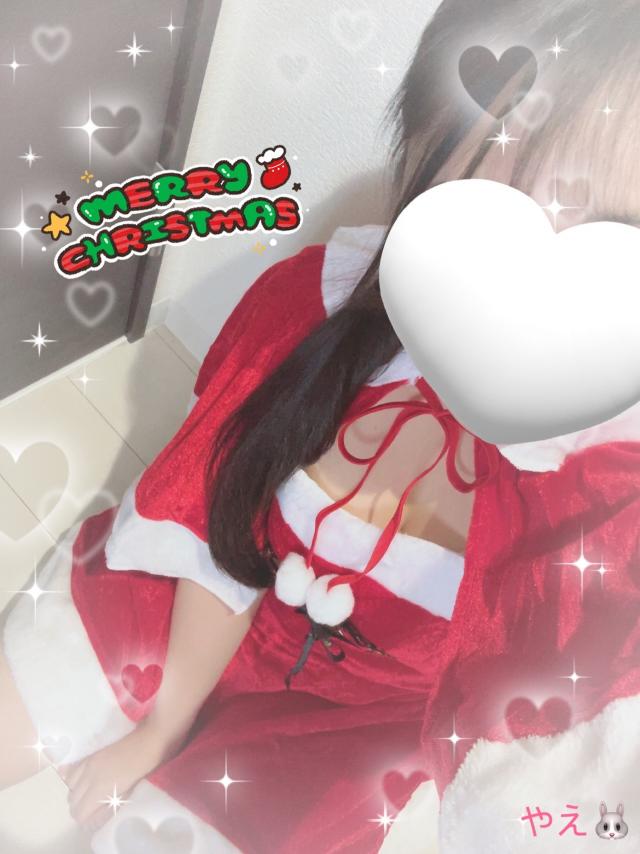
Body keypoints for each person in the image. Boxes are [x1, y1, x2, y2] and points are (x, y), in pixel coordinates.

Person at [2, 1, 640, 851]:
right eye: (508, 189)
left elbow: (561, 774)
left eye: (615, 235)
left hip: (344, 734)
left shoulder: (609, 497)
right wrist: (158, 728)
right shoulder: (315, 303)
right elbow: (212, 519)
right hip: (178, 596)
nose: (541, 258)